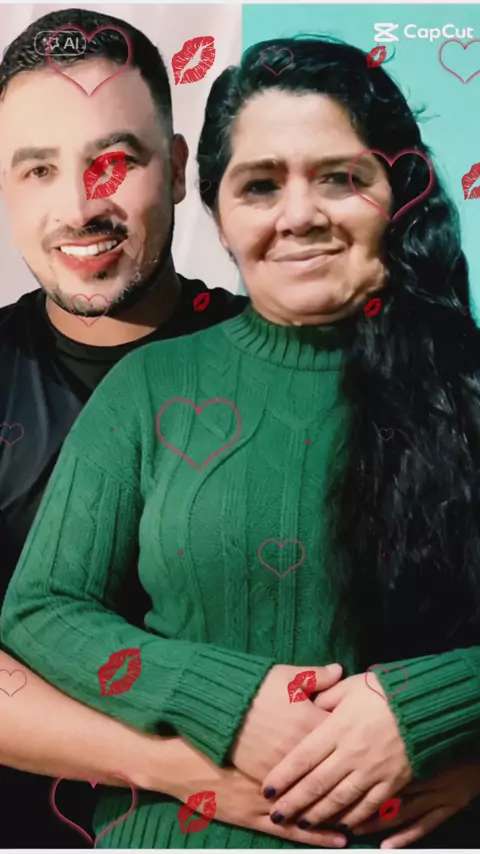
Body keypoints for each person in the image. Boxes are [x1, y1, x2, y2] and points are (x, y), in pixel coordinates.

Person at [3, 33, 480, 850]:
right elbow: (43, 608)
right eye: (260, 185)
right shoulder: (154, 385)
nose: (299, 215)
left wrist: (435, 717)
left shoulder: (455, 381)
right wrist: (230, 707)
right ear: (219, 213)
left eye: (340, 177)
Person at [0, 7, 248, 848]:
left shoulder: (303, 365)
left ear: (175, 169)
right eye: (38, 169)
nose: (79, 206)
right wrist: (178, 769)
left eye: (116, 160)